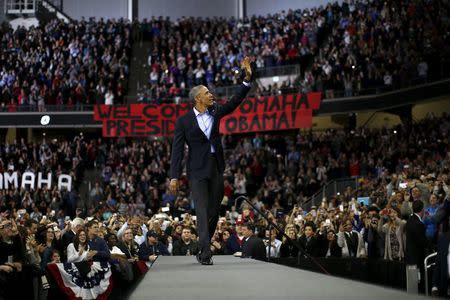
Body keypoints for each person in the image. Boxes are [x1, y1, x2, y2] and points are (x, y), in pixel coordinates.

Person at [169, 56, 255, 265]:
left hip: (216, 168)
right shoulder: (184, 121)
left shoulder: (216, 111)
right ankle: (205, 253)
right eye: (207, 93)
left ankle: (202, 244)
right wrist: (174, 177)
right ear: (198, 98)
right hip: (196, 171)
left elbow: (234, 102)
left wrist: (247, 80)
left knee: (214, 211)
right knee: (200, 209)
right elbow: (177, 150)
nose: (211, 95)